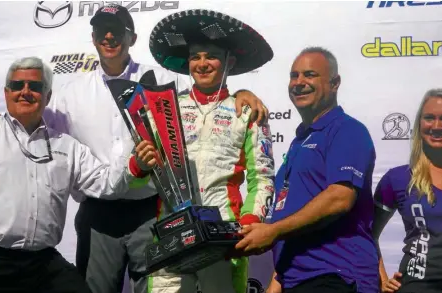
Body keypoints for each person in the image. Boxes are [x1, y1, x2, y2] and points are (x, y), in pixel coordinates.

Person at [0, 4, 269, 293]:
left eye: (118, 31)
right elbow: (30, 116)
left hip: (152, 210)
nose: (110, 37)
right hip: (99, 213)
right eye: (102, 31)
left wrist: (244, 93)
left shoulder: (162, 80)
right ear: (93, 38)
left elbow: (207, 92)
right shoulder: (70, 93)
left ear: (131, 38)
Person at [0, 56, 157, 293]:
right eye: (17, 85)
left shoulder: (67, 146)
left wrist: (135, 165)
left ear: (47, 96)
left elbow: (105, 183)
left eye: (35, 87)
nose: (25, 92)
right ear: (6, 93)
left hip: (42, 264)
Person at [146, 9, 276, 293]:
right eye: (195, 57)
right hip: (171, 237)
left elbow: (263, 178)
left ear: (230, 61)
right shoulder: (165, 109)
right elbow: (139, 177)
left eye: (211, 56)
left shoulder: (247, 111)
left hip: (224, 240)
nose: (202, 64)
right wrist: (137, 166)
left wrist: (249, 224)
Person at [236, 47, 379, 293]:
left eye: (310, 75)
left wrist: (273, 231)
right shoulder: (299, 141)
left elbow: (339, 198)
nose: (299, 83)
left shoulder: (347, 130)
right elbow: (292, 214)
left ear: (335, 83)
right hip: (297, 278)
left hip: (337, 276)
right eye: (294, 76)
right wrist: (277, 281)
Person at [373, 89, 442, 293]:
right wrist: (382, 280)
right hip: (417, 286)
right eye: (429, 118)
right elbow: (367, 234)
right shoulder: (398, 179)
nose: (437, 126)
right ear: (419, 124)